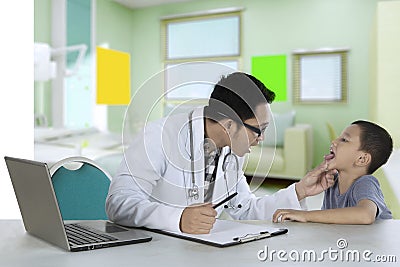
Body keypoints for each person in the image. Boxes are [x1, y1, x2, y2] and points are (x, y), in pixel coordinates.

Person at [106, 72, 336, 234]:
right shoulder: (159, 136)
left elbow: (244, 209)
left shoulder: (232, 151)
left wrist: (300, 191)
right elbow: (119, 203)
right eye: (259, 130)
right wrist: (177, 219)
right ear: (228, 125)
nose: (262, 139)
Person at [273, 120, 393, 224]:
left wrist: (306, 216)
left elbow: (365, 215)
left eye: (344, 140)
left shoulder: (366, 183)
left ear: (362, 159)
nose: (334, 141)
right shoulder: (332, 182)